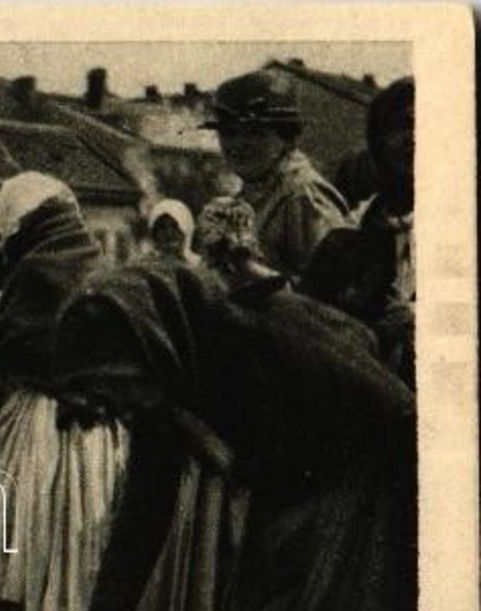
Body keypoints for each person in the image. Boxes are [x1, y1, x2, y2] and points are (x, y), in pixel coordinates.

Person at [61, 259, 416, 611]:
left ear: (148, 348)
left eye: (116, 385)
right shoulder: (171, 370)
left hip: (358, 510)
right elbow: (147, 500)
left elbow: (401, 416)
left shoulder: (271, 332)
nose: (116, 406)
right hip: (283, 511)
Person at [0, 172, 126, 611]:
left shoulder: (38, 269)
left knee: (31, 537)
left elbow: (19, 351)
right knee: (73, 539)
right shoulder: (96, 263)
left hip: (44, 418)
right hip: (92, 425)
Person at [298, 77, 415, 388]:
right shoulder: (344, 242)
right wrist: (368, 334)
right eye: (405, 125)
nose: (416, 138)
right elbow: (307, 333)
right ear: (378, 140)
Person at [202, 70, 351, 279]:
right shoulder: (250, 196)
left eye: (254, 133)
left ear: (287, 137)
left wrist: (250, 270)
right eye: (229, 133)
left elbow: (333, 293)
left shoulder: (303, 196)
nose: (238, 145)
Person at [139, 199, 199, 266]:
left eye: (175, 227)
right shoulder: (144, 266)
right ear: (153, 233)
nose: (169, 234)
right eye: (161, 227)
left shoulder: (198, 266)